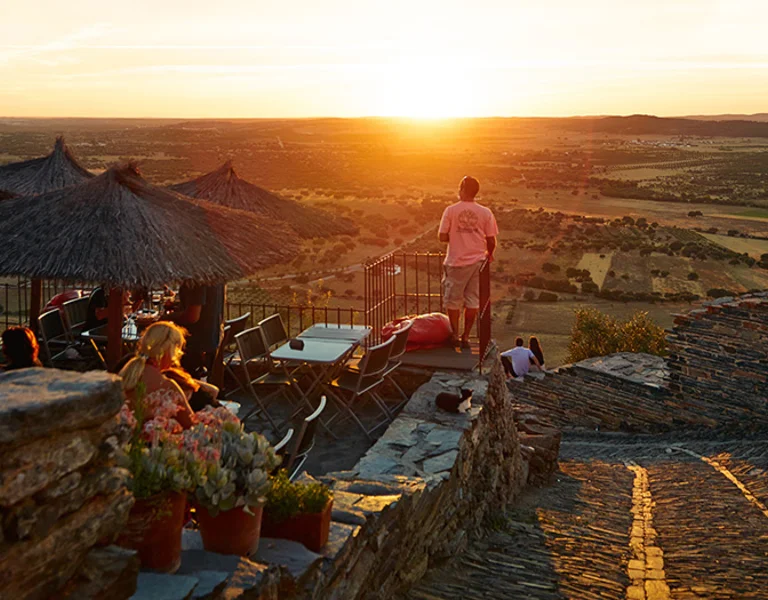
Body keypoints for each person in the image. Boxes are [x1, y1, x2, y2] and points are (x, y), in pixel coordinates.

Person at [439, 176, 498, 348]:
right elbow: (491, 241)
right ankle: (466, 336)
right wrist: (490, 254)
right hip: (478, 262)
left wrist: (457, 236)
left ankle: (455, 335)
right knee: (472, 301)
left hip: (456, 262)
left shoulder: (450, 211)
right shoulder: (485, 212)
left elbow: (442, 236)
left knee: (453, 300)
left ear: (463, 190)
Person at [118, 322, 196, 429]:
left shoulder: (127, 372)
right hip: (149, 444)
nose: (179, 354)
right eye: (177, 349)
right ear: (169, 349)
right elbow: (192, 425)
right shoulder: (167, 386)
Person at [163, 282, 224, 376]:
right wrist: (179, 306)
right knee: (200, 386)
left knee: (188, 385)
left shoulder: (195, 280)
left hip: (194, 344)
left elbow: (192, 316)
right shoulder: (215, 274)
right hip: (210, 340)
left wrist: (165, 318)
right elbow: (207, 304)